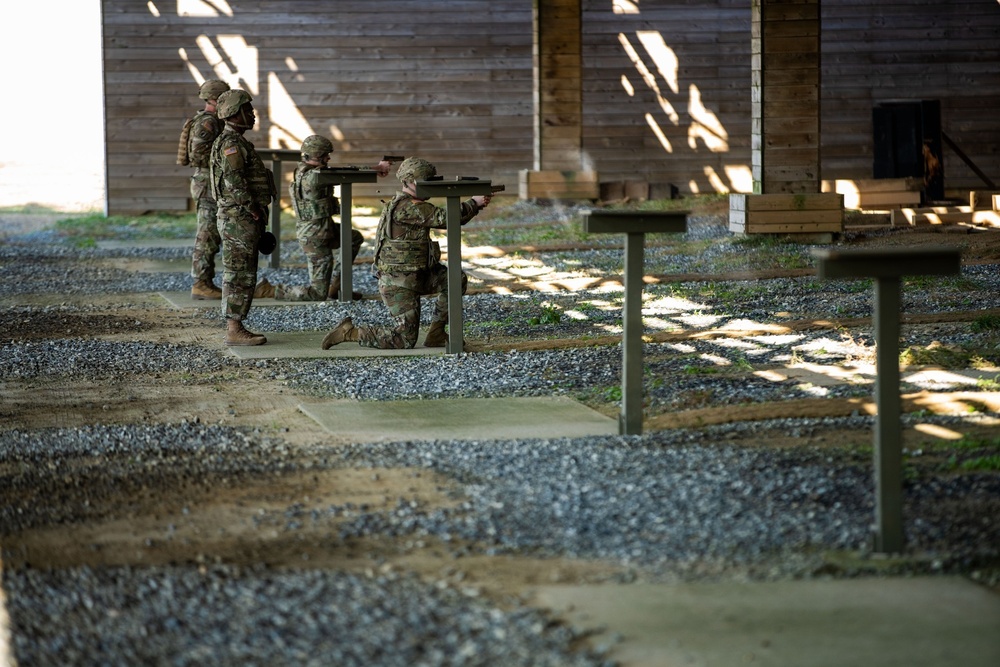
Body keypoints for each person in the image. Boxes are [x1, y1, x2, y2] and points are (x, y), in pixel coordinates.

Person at [321, 157, 490, 350]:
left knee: (454, 279)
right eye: (426, 182)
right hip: (398, 284)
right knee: (404, 339)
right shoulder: (407, 207)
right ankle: (349, 332)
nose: (430, 187)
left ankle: (436, 333)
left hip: (417, 275)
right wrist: (473, 204)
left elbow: (450, 219)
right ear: (410, 183)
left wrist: (473, 206)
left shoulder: (408, 204)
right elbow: (447, 217)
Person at [254, 135, 392, 302]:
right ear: (315, 156)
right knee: (317, 294)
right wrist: (376, 167)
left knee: (353, 238)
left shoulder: (304, 171)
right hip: (316, 238)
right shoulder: (314, 177)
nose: (328, 158)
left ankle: (336, 287)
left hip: (323, 230)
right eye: (325, 155)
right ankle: (271, 290)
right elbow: (346, 173)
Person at [209, 88, 276, 346]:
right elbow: (235, 182)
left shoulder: (236, 142)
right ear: (234, 114)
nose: (253, 114)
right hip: (239, 219)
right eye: (247, 110)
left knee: (244, 272)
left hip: (241, 218)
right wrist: (253, 209)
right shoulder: (231, 145)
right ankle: (234, 329)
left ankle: (237, 325)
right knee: (239, 273)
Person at [177, 79, 230, 300]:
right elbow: (199, 155)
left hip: (209, 183)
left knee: (212, 234)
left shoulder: (213, 121)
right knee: (207, 234)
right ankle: (201, 283)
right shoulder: (207, 123)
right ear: (216, 99)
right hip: (206, 184)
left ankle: (204, 281)